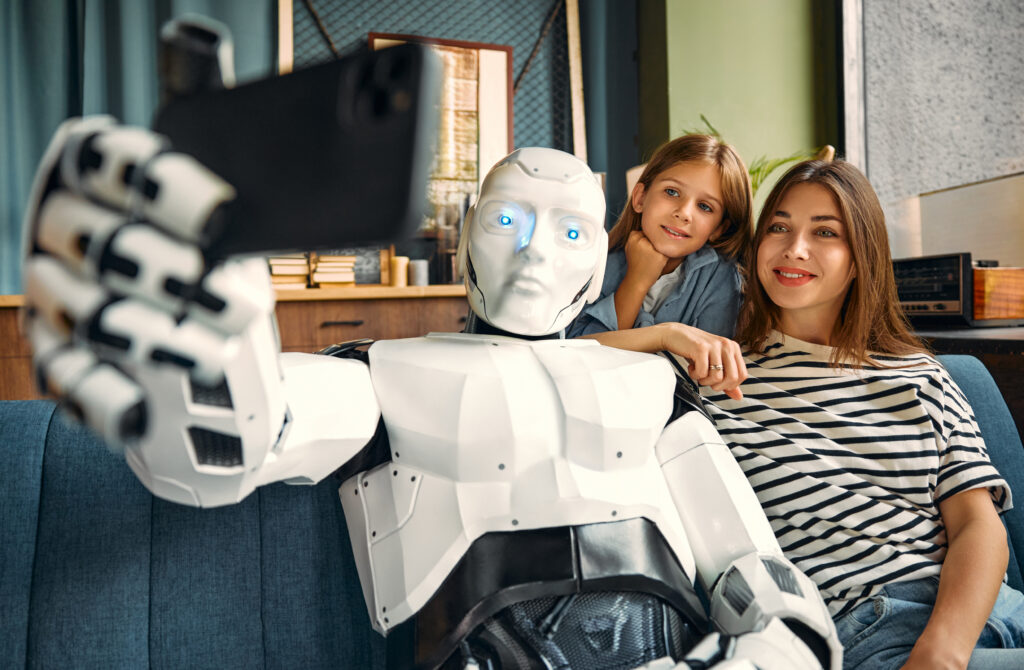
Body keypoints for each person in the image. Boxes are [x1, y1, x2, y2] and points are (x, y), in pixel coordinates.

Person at [20, 111, 843, 669]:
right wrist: (205, 342)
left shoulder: (650, 383)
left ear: (595, 253)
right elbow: (237, 440)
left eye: (564, 233)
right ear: (465, 236)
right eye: (508, 222)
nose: (533, 259)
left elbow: (759, 575)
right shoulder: (387, 373)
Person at [595, 159, 1024, 670]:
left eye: (825, 232)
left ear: (860, 257)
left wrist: (941, 654)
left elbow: (980, 526)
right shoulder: (715, 374)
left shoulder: (921, 375)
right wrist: (667, 334)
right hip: (862, 633)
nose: (794, 248)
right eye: (779, 227)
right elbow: (553, 360)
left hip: (977, 617)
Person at [566, 134, 753, 343]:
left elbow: (709, 357)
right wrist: (637, 281)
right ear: (640, 198)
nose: (684, 213)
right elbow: (576, 349)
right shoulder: (597, 263)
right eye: (672, 192)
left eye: (704, 207)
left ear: (719, 228)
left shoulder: (721, 277)